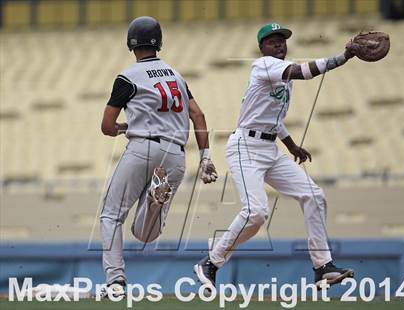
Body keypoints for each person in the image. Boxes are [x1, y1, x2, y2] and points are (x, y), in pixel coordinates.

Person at [194, 22, 355, 291]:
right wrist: (342, 58)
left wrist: (291, 146)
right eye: (272, 40)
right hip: (245, 147)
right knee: (256, 213)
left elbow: (273, 118)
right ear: (262, 48)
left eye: (282, 40)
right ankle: (210, 262)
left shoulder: (280, 73)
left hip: (269, 149)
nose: (279, 44)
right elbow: (304, 72)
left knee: (313, 195)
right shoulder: (264, 65)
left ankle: (323, 267)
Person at [100, 16, 218, 298]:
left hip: (143, 147)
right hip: (176, 154)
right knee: (146, 235)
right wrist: (205, 157)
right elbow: (198, 115)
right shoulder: (176, 75)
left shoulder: (128, 77)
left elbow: (106, 127)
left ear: (131, 44)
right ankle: (155, 201)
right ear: (159, 43)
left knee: (111, 216)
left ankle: (116, 281)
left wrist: (124, 128)